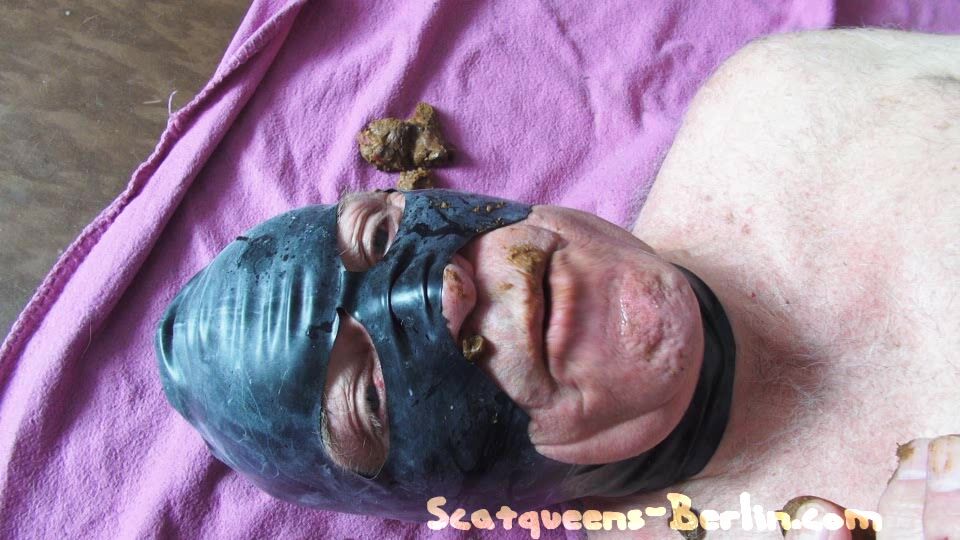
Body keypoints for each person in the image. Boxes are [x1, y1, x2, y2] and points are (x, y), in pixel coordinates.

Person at [156, 29, 959, 537]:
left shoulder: (792, 104)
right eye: (370, 397)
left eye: (379, 235)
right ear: (457, 504)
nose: (443, 293)